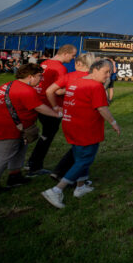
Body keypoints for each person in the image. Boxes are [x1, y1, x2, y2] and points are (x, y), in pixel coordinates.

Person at [41, 59, 120, 209]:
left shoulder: (76, 82)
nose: (108, 76)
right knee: (85, 159)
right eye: (106, 72)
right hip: (86, 128)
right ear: (95, 70)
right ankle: (56, 190)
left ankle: (80, 186)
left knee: (79, 157)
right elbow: (102, 108)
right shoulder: (96, 86)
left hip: (70, 124)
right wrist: (114, 123)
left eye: (110, 72)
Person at [0, 64, 62, 195]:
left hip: (12, 125)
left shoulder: (8, 85)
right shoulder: (26, 90)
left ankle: (15, 176)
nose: (41, 79)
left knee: (19, 150)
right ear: (30, 76)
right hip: (8, 128)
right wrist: (56, 114)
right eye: (39, 76)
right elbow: (39, 107)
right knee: (2, 157)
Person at [44, 53, 96, 181]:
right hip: (85, 117)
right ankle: (73, 178)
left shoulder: (69, 76)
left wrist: (55, 107)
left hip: (69, 117)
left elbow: (51, 91)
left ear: (78, 63)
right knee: (84, 148)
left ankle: (61, 172)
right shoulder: (92, 78)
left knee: (76, 146)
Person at [26, 44, 77, 176]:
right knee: (47, 135)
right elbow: (58, 91)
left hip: (38, 102)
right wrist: (74, 87)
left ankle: (31, 163)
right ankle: (34, 166)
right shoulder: (60, 68)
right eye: (72, 55)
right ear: (65, 53)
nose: (73, 58)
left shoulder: (45, 63)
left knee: (42, 134)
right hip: (51, 105)